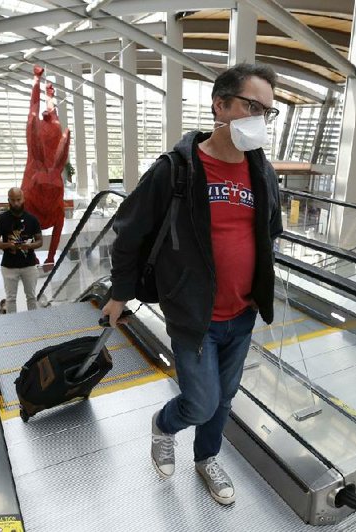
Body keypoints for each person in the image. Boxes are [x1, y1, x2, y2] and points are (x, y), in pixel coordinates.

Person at [102, 63, 283, 505]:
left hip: (242, 313)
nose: (260, 119)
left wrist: (258, 287)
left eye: (269, 112)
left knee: (223, 401)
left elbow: (269, 232)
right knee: (201, 403)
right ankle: (164, 425)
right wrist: (119, 293)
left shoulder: (262, 172)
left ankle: (206, 459)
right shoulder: (175, 170)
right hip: (193, 316)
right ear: (220, 105)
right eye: (252, 106)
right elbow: (129, 232)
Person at [0, 187, 43, 313]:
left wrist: (29, 246)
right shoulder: (1, 219)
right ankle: (13, 327)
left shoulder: (32, 219)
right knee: (10, 299)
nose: (15, 203)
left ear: (23, 199)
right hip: (9, 266)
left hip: (29, 265)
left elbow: (40, 241)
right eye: (12, 200)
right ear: (8, 200)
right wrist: (7, 245)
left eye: (18, 199)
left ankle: (34, 323)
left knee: (31, 297)